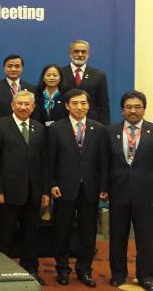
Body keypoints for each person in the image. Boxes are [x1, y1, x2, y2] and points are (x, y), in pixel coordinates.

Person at [48, 89, 109, 287]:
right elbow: (50, 160)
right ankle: (62, 269)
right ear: (67, 106)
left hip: (90, 189)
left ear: (88, 106)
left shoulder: (99, 129)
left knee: (88, 233)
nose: (79, 107)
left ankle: (84, 270)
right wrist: (52, 183)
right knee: (62, 231)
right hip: (64, 188)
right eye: (75, 103)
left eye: (83, 103)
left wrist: (104, 186)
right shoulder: (56, 128)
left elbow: (103, 161)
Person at [0, 90, 48, 285]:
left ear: (33, 107)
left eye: (27, 104)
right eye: (19, 103)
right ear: (12, 105)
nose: (23, 107)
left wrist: (45, 191)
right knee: (5, 234)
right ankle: (1, 272)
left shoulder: (39, 128)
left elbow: (44, 162)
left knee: (31, 234)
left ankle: (31, 270)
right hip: (7, 191)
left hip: (33, 192)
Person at [106, 91, 153, 290]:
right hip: (118, 192)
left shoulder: (152, 130)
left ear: (144, 109)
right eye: (128, 107)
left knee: (146, 238)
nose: (133, 111)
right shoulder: (110, 131)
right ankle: (118, 274)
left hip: (147, 194)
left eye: (137, 107)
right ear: (122, 110)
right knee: (117, 237)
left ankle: (146, 276)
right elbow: (105, 162)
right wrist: (104, 188)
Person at [60, 40, 110, 124]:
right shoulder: (60, 73)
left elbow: (103, 105)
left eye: (83, 52)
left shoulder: (99, 75)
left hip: (92, 123)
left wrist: (105, 127)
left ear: (88, 54)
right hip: (64, 122)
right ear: (70, 53)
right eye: (76, 51)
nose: (80, 54)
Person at [0, 54, 35, 132]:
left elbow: (34, 114)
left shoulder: (31, 88)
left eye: (17, 66)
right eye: (10, 66)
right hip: (2, 131)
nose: (13, 69)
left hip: (25, 130)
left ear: (22, 68)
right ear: (4, 68)